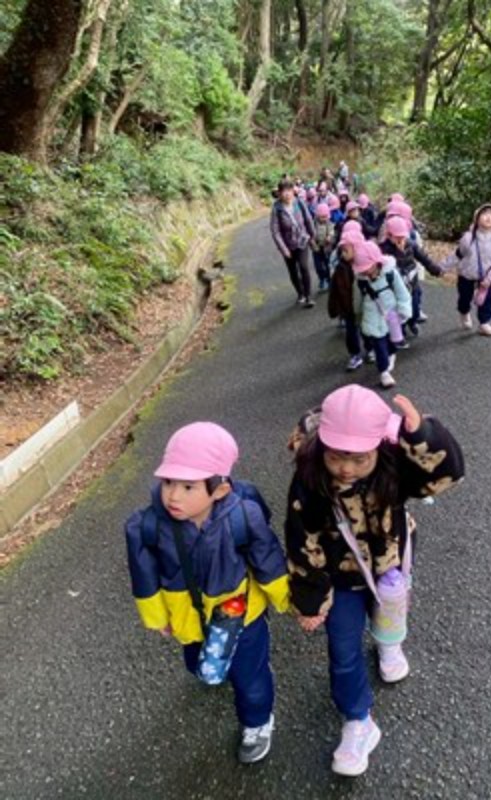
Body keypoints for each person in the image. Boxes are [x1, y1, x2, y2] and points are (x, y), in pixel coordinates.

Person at [285, 384, 465, 777]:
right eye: (336, 456)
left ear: (378, 447)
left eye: (358, 458)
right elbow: (301, 538)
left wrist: (422, 436)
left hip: (389, 564)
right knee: (342, 648)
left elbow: (446, 476)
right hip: (341, 578)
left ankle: (389, 644)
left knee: (392, 611)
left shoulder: (393, 466)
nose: (346, 468)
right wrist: (311, 597)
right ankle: (358, 721)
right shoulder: (311, 477)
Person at [124, 422, 289, 765]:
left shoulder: (242, 517)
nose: (173, 496)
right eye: (169, 482)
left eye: (188, 486)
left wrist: (288, 599)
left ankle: (257, 723)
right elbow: (144, 575)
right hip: (189, 618)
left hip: (241, 615)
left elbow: (268, 560)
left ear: (220, 489)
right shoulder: (149, 526)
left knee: (250, 678)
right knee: (197, 664)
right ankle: (221, 669)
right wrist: (157, 616)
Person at [352, 240, 412, 388]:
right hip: (372, 316)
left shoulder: (391, 274)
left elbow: (402, 293)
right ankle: (384, 372)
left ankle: (391, 353)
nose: (364, 272)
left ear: (376, 262)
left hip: (392, 314)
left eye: (367, 267)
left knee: (392, 342)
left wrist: (404, 310)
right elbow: (358, 300)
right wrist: (357, 316)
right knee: (379, 344)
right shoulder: (361, 281)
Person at [441, 203, 491, 336]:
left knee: (486, 301)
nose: (489, 217)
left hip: (486, 277)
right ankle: (464, 312)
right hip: (466, 274)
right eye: (485, 214)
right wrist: (442, 267)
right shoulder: (468, 238)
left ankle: (484, 323)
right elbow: (458, 255)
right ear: (476, 219)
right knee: (464, 298)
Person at [380, 216, 442, 336]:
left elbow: (423, 258)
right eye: (397, 237)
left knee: (414, 306)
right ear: (389, 235)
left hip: (412, 282)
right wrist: (399, 252)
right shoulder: (384, 249)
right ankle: (400, 330)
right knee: (400, 309)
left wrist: (435, 270)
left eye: (402, 236)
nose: (401, 240)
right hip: (397, 287)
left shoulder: (411, 244)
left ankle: (412, 322)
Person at [270, 178, 316, 307]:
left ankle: (308, 296)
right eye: (284, 191)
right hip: (287, 244)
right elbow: (275, 231)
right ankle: (300, 293)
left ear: (293, 191)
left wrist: (312, 235)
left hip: (302, 240)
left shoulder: (299, 202)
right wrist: (284, 249)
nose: (287, 193)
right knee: (293, 271)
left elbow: (308, 219)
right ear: (279, 193)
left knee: (304, 267)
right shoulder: (277, 208)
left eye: (289, 190)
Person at [328, 227, 365, 370]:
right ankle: (355, 354)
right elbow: (335, 290)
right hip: (348, 307)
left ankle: (370, 349)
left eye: (346, 250)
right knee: (351, 332)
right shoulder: (341, 268)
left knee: (368, 330)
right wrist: (335, 307)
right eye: (342, 250)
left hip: (364, 305)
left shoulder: (365, 265)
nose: (343, 254)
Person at [312, 203, 336, 291]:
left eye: (326, 217)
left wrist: (329, 236)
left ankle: (329, 279)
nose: (324, 219)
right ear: (317, 216)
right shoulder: (313, 223)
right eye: (322, 217)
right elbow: (310, 234)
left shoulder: (329, 223)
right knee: (318, 266)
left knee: (327, 265)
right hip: (317, 248)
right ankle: (322, 279)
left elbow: (332, 231)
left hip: (326, 248)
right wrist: (313, 243)